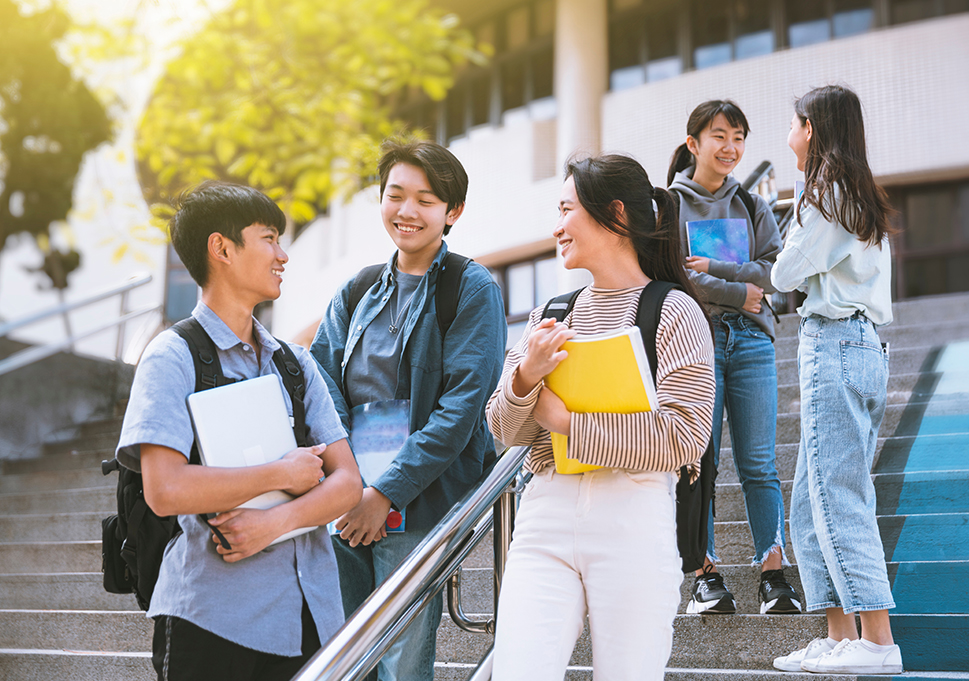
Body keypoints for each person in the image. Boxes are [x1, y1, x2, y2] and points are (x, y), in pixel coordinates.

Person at [115, 181, 363, 681]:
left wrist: (273, 522)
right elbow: (164, 489)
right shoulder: (172, 356)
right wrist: (282, 471)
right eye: (269, 238)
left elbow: (349, 484)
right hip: (211, 620)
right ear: (222, 248)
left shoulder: (294, 363)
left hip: (311, 618)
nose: (283, 255)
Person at [486, 154, 716, 681]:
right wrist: (525, 380)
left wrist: (565, 420)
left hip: (634, 515)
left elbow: (684, 437)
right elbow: (503, 428)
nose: (557, 225)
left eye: (567, 209)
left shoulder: (673, 309)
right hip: (544, 516)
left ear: (614, 215)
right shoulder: (552, 313)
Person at [310, 140, 507, 681]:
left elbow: (463, 409)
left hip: (420, 498)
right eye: (395, 195)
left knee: (400, 652)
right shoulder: (356, 290)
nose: (407, 211)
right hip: (346, 490)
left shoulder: (470, 287)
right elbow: (318, 380)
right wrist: (347, 476)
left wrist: (386, 491)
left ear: (453, 212)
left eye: (426, 199)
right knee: (346, 646)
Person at [770, 85, 902, 674]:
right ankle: (840, 634)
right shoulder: (847, 191)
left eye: (795, 127)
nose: (789, 137)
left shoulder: (831, 195)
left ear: (814, 130)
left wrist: (797, 211)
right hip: (854, 344)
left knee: (837, 495)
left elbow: (785, 270)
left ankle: (877, 642)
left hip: (837, 343)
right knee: (808, 501)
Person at [666, 100, 800, 615]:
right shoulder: (670, 205)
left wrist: (721, 272)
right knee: (700, 461)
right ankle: (705, 574)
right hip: (696, 343)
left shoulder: (751, 204)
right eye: (719, 136)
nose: (731, 148)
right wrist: (736, 291)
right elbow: (677, 275)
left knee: (760, 464)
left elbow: (773, 274)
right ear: (693, 142)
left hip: (751, 343)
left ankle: (772, 573)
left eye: (739, 137)